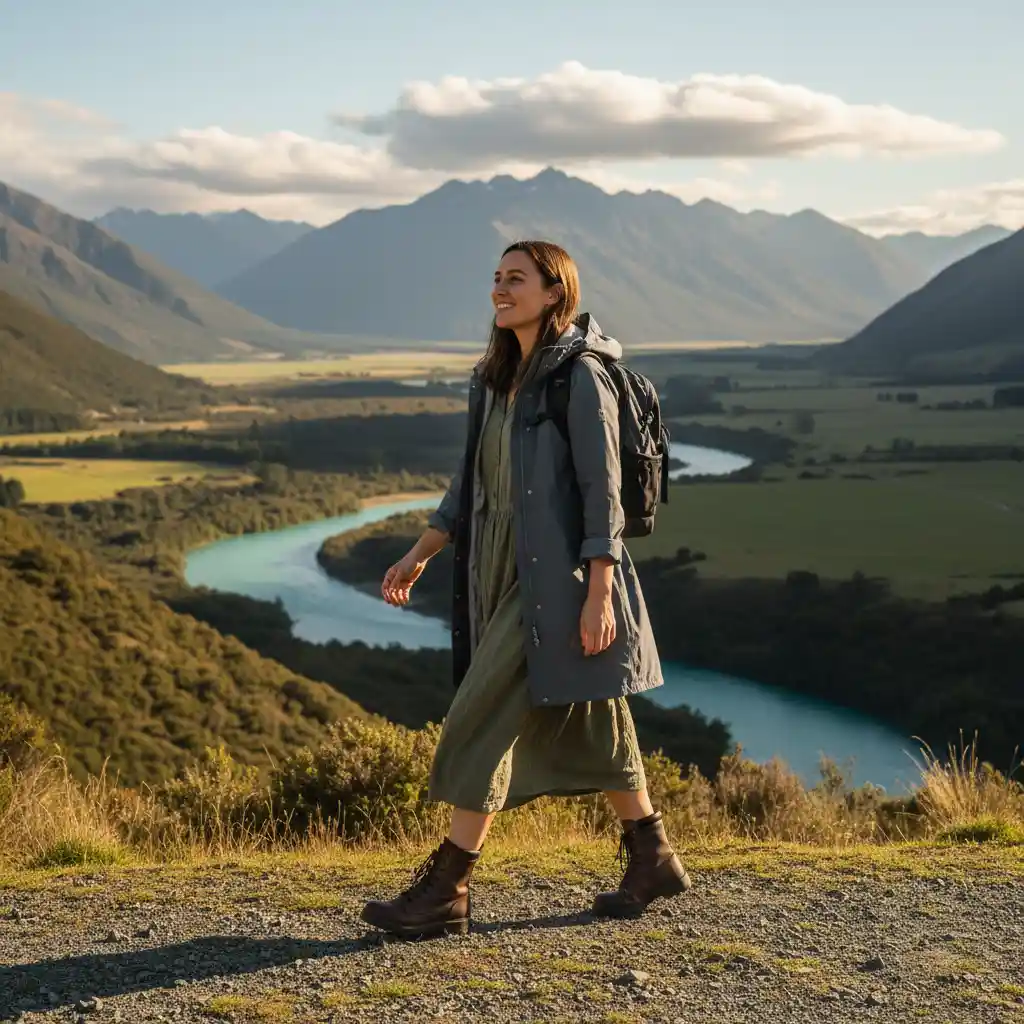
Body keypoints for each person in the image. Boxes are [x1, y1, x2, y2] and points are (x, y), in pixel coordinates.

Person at [360, 240, 691, 939]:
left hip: (560, 577)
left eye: (516, 279)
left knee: (479, 715)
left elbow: (604, 494)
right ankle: (651, 854)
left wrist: (600, 592)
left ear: (554, 292)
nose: (500, 289)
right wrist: (421, 553)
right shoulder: (495, 379)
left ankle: (447, 886)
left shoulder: (582, 377)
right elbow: (471, 482)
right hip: (497, 565)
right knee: (595, 716)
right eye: (496, 278)